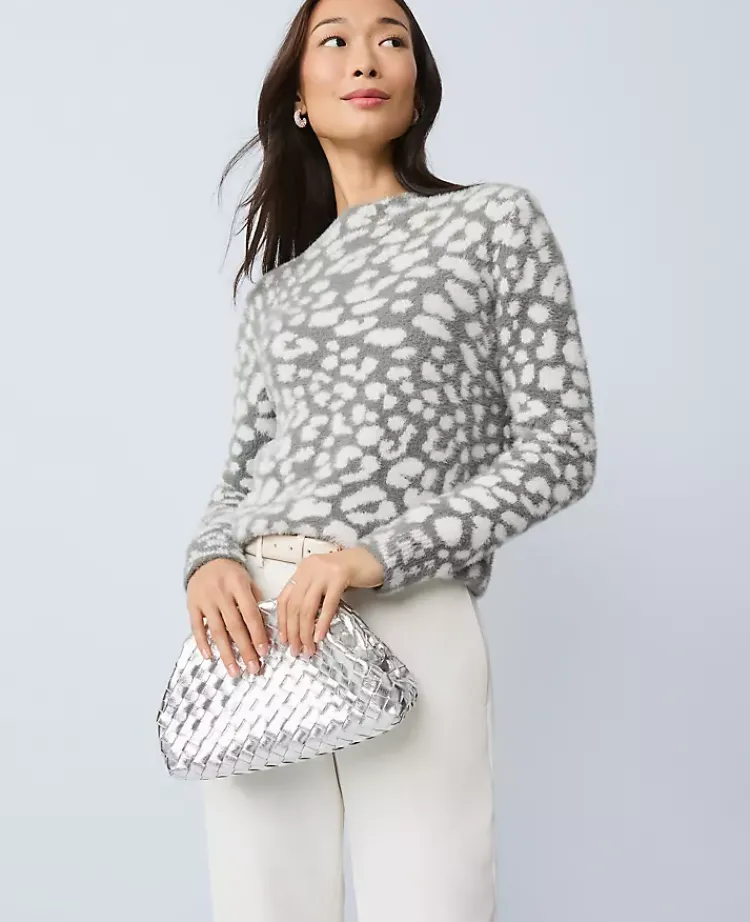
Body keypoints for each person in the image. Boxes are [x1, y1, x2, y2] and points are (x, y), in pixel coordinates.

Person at [182, 1, 598, 920]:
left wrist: (379, 555)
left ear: (417, 87)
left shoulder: (493, 223)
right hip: (256, 628)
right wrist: (208, 558)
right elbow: (244, 469)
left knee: (430, 900)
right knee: (262, 907)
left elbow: (561, 449)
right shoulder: (277, 293)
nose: (366, 57)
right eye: (335, 39)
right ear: (299, 95)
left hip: (404, 604)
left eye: (392, 40)